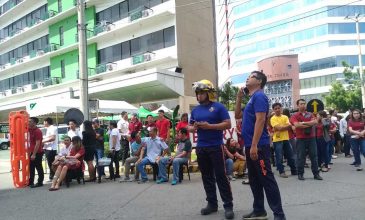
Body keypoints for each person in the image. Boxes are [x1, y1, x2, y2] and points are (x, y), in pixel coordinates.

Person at [235, 71, 286, 220]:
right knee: (254, 180)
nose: (247, 78)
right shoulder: (251, 99)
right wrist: (239, 97)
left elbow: (261, 120)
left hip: (258, 146)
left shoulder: (259, 96)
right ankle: (259, 210)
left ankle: (279, 214)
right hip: (251, 145)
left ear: (258, 82)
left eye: (250, 76)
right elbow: (238, 115)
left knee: (267, 179)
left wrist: (254, 145)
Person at [188, 79, 234, 219]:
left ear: (209, 93)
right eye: (197, 93)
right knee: (206, 177)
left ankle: (228, 206)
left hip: (216, 146)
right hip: (201, 148)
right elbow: (189, 127)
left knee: (221, 176)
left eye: (201, 93)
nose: (199, 96)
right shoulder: (195, 110)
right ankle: (212, 204)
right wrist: (194, 127)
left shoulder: (219, 107)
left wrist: (210, 126)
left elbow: (227, 124)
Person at [290, 99, 322, 181]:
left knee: (314, 157)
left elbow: (315, 122)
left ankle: (316, 174)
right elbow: (296, 125)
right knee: (301, 157)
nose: (303, 105)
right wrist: (308, 124)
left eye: (304, 104)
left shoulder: (310, 114)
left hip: (311, 138)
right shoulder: (294, 115)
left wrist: (303, 123)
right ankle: (300, 174)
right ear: (297, 105)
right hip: (300, 139)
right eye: (301, 104)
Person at [270, 103, 297, 178]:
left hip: (286, 138)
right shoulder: (273, 118)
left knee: (290, 155)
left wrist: (280, 127)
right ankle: (281, 172)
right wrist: (284, 127)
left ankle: (294, 170)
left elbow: (288, 127)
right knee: (279, 157)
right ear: (273, 110)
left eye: (279, 108)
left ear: (281, 108)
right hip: (277, 140)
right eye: (276, 109)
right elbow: (280, 128)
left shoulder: (285, 117)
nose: (277, 110)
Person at [28, 117, 44, 188]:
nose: (28, 123)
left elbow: (38, 144)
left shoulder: (38, 131)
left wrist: (34, 154)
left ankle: (40, 182)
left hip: (37, 152)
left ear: (34, 123)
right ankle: (31, 182)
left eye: (30, 121)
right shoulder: (29, 129)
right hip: (31, 152)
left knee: (38, 167)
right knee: (31, 167)